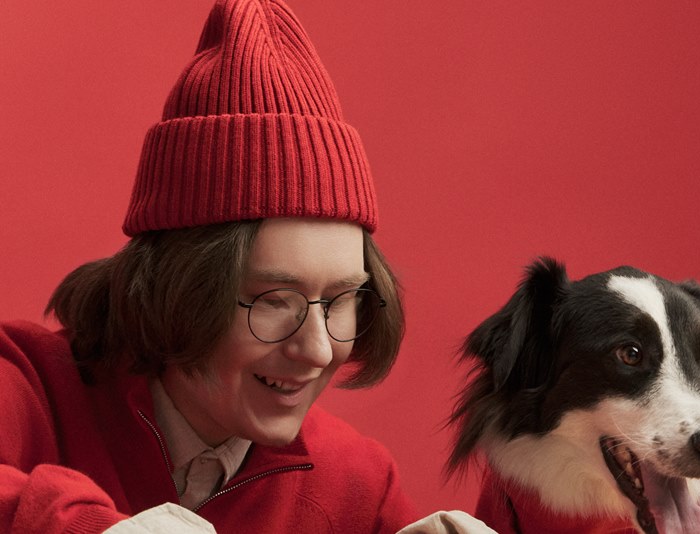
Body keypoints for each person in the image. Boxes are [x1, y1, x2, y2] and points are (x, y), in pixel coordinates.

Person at [0, 0, 424, 531]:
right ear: (177, 290)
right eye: (274, 301)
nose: (317, 349)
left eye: (340, 300)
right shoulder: (25, 386)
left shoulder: (359, 486)